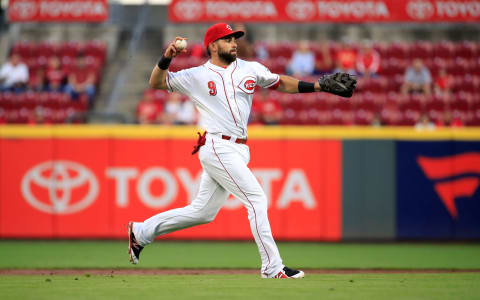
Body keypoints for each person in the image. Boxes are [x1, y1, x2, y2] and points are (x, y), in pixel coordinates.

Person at [127, 23, 356, 279]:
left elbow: (282, 83)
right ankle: (273, 267)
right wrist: (167, 57)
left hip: (238, 148)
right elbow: (156, 82)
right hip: (217, 146)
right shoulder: (196, 76)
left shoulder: (250, 68)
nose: (234, 42)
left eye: (235, 38)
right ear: (213, 46)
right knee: (256, 199)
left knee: (203, 212)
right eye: (227, 39)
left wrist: (318, 87)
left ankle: (142, 232)